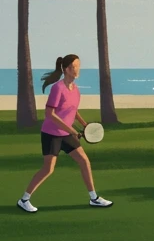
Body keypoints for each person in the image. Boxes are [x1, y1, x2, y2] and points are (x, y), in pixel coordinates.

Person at [17, 55, 113, 212]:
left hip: (66, 134)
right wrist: (71, 130)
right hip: (51, 134)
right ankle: (24, 200)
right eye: (75, 66)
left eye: (79, 65)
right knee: (48, 169)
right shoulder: (58, 88)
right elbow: (50, 114)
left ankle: (94, 198)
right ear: (67, 69)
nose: (78, 69)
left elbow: (73, 110)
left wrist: (84, 125)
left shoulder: (76, 90)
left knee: (84, 161)